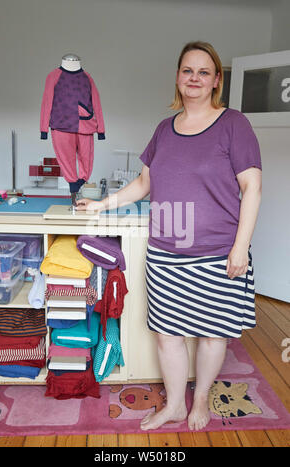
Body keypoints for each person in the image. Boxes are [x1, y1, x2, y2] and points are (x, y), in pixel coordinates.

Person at [76, 41, 262, 431]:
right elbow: (144, 183)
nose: (194, 78)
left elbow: (252, 188)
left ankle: (202, 402)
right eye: (187, 70)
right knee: (168, 334)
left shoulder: (234, 124)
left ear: (216, 82)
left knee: (213, 335)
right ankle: (176, 404)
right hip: (166, 252)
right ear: (178, 78)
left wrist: (240, 247)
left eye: (204, 72)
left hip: (217, 252)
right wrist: (101, 205)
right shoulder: (165, 129)